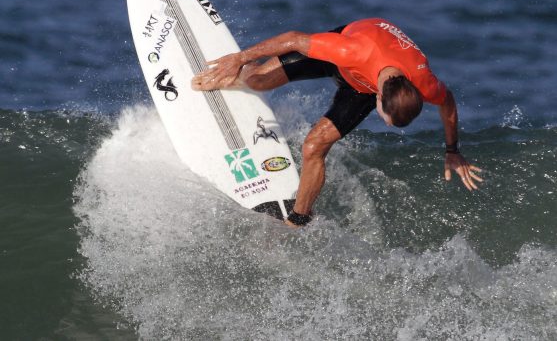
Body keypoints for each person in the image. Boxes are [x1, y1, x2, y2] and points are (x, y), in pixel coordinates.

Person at [191, 18, 483, 227]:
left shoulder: (425, 83)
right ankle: (239, 73)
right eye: (388, 120)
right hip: (347, 59)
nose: (388, 126)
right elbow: (293, 38)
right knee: (258, 80)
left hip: (362, 87)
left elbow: (448, 103)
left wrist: (452, 150)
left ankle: (298, 219)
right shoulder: (349, 50)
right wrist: (240, 57)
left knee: (314, 146)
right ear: (381, 97)